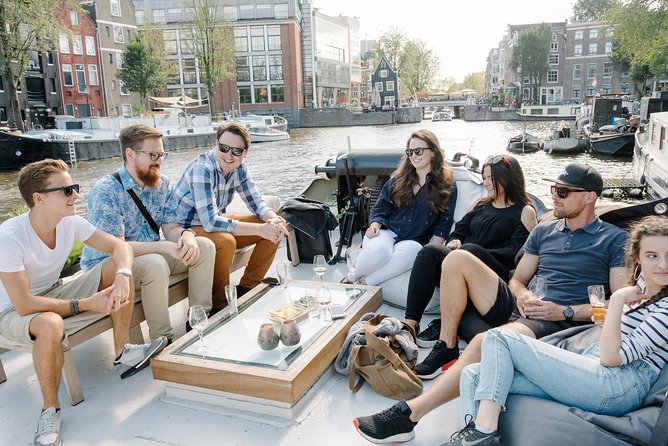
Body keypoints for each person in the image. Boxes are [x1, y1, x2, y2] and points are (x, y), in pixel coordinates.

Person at [353, 163, 629, 444]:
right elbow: (517, 279)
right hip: (525, 309)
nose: (554, 196)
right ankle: (446, 346)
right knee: (456, 258)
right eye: (553, 189)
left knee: (485, 342)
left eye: (563, 191)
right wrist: (522, 295)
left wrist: (564, 311)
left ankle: (409, 415)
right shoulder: (545, 232)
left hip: (562, 322)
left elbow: (619, 304)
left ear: (589, 197)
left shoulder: (614, 239)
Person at [444, 215, 668, 446]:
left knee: (499, 337)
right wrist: (608, 320)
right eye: (653, 256)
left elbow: (612, 358)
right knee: (474, 375)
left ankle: (483, 433)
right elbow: (617, 339)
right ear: (637, 258)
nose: (663, 265)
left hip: (620, 385)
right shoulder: (642, 291)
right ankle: (474, 438)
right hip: (597, 369)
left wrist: (619, 298)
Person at [0, 159, 167, 446]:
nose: (76, 195)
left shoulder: (70, 222)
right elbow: (25, 304)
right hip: (11, 311)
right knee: (51, 324)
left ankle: (122, 351)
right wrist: (87, 304)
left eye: (74, 187)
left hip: (54, 291)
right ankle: (49, 410)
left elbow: (119, 246)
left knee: (117, 268)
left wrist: (124, 275)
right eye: (66, 191)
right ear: (38, 198)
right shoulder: (9, 237)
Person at [408, 154, 537, 379]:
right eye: (484, 177)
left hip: (494, 275)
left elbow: (517, 255)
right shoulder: (479, 205)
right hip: (460, 260)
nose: (485, 183)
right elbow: (459, 231)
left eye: (491, 178)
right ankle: (410, 323)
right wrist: (455, 241)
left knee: (470, 251)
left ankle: (447, 337)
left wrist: (468, 251)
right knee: (429, 252)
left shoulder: (525, 211)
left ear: (507, 179)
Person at [81, 124, 216, 341]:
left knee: (204, 247)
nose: (159, 161)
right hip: (107, 266)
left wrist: (187, 236)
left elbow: (170, 228)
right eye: (153, 155)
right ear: (130, 154)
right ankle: (162, 340)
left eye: (162, 155)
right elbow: (116, 247)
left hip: (149, 256)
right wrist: (165, 246)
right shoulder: (105, 191)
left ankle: (198, 323)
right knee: (155, 263)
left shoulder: (162, 185)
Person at [174, 121, 288, 311]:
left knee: (278, 224)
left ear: (245, 153)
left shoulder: (240, 168)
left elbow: (256, 201)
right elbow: (210, 222)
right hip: (187, 229)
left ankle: (247, 289)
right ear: (216, 144)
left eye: (236, 151)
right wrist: (261, 229)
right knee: (226, 241)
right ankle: (219, 305)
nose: (228, 155)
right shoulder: (202, 169)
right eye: (224, 148)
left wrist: (271, 219)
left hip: (212, 222)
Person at [343, 129, 457, 286]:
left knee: (415, 251)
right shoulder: (399, 179)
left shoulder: (446, 185)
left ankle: (367, 282)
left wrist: (432, 254)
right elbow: (380, 207)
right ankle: (349, 278)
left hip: (413, 241)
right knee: (381, 251)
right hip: (387, 231)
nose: (413, 156)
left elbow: (444, 222)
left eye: (418, 151)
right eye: (410, 152)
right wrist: (375, 225)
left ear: (433, 152)